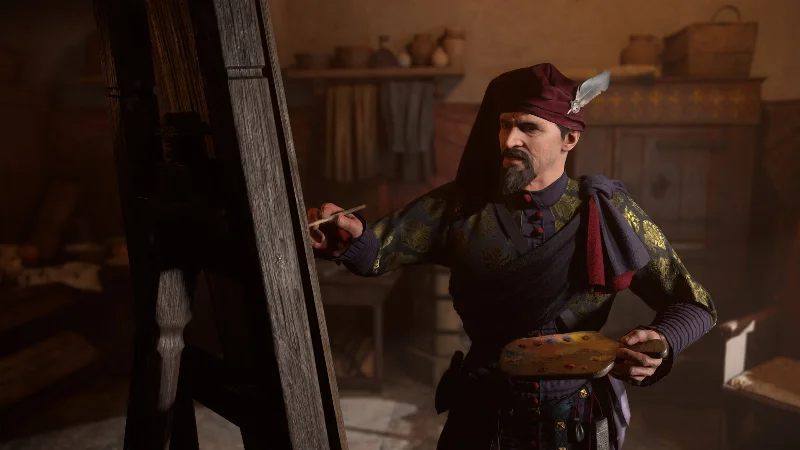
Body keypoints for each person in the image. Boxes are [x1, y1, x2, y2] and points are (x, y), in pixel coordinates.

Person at [308, 63, 716, 450]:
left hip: (577, 419)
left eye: (528, 128)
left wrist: (663, 340)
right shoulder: (461, 206)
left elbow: (694, 303)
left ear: (570, 139)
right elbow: (378, 252)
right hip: (483, 413)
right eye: (505, 125)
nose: (509, 140)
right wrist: (347, 237)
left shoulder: (607, 211)